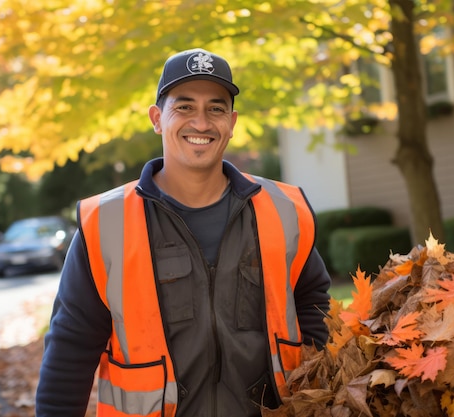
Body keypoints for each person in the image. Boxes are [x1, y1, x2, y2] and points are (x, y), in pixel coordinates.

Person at [35, 48, 331, 417]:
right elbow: (70, 349)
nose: (202, 123)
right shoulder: (106, 222)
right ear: (157, 119)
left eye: (216, 108)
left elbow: (315, 309)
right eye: (185, 107)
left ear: (233, 121)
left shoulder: (283, 210)